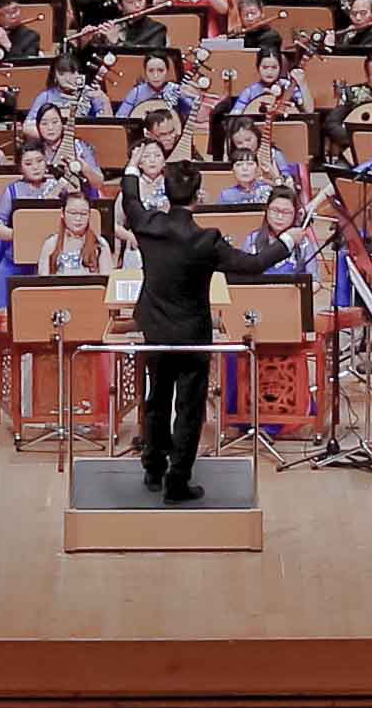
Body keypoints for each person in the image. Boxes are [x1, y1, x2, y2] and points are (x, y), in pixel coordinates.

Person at [119, 154, 278, 503]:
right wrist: (289, 242)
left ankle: (153, 468)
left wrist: (132, 165)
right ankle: (177, 481)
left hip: (156, 329)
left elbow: (130, 199)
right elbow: (252, 265)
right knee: (189, 408)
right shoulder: (206, 240)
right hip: (192, 333)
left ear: (165, 191)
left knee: (157, 398)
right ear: (198, 197)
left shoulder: (148, 224)